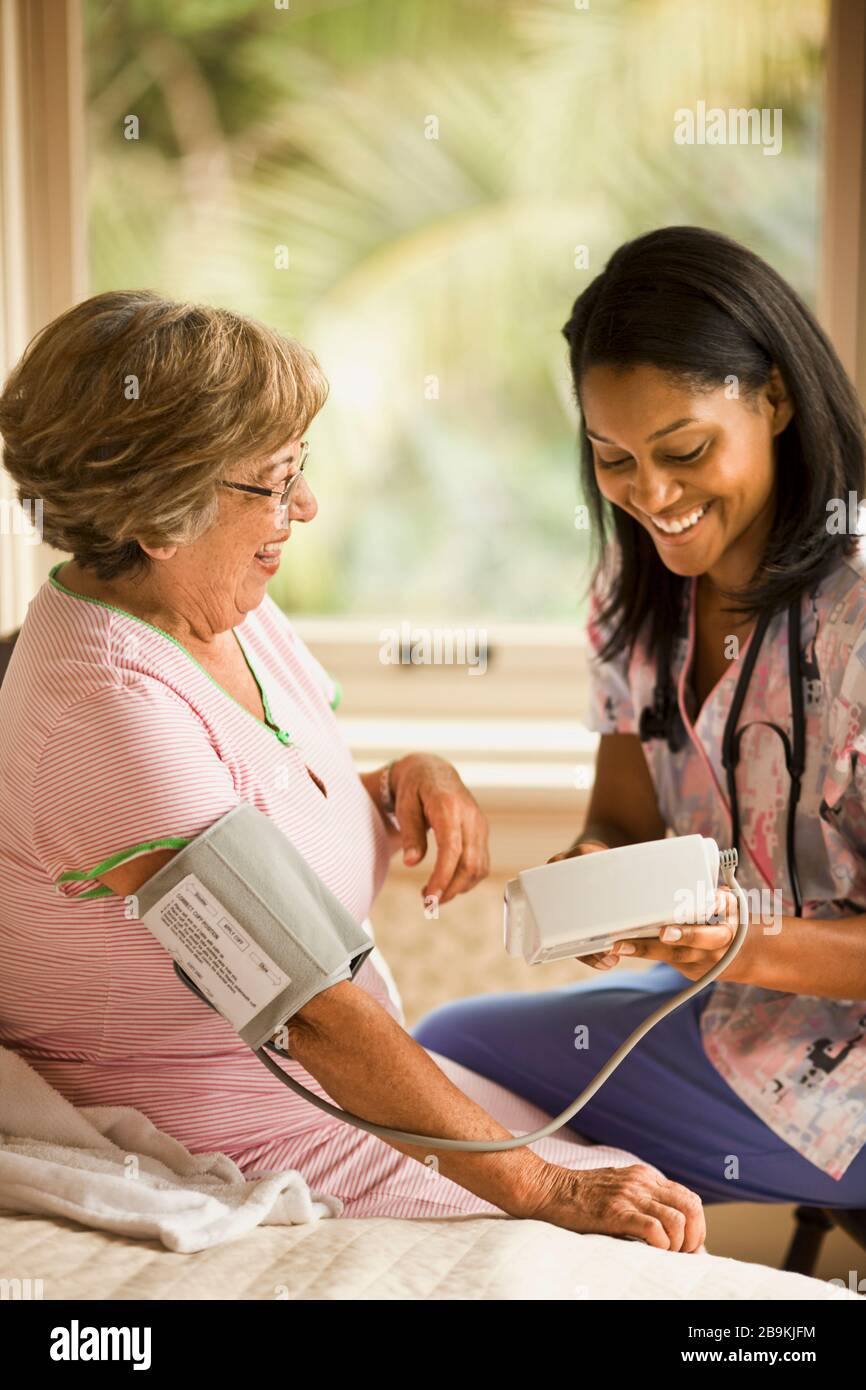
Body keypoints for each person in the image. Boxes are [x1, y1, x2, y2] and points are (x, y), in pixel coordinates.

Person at [0, 290, 704, 1250]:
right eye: (275, 480)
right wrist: (548, 1194)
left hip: (315, 1084)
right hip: (234, 1120)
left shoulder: (218, 608)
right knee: (608, 1229)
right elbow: (310, 1013)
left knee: (622, 1183)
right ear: (161, 519)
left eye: (301, 469)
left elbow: (268, 809)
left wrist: (404, 781)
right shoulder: (106, 713)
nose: (305, 506)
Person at [413, 225, 866, 1208]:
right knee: (435, 1059)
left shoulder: (857, 612)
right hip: (736, 1002)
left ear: (776, 399)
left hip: (838, 1075)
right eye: (611, 458)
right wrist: (591, 878)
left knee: (436, 1093)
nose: (650, 496)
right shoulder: (637, 586)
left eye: (684, 450)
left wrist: (738, 941)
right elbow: (618, 821)